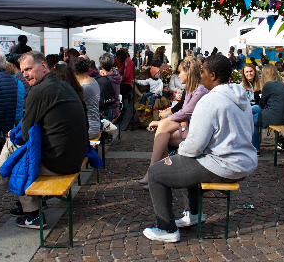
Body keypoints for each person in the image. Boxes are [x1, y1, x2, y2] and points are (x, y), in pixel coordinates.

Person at [0, 52, 88, 229]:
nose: (25, 74)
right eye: (23, 70)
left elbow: (25, 134)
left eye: (29, 69)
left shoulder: (39, 92)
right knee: (16, 148)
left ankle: (30, 213)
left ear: (43, 66)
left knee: (17, 158)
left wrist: (14, 133)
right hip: (75, 156)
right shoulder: (65, 85)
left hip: (61, 162)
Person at [143, 55, 257, 243]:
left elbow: (193, 147)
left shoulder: (210, 101)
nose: (201, 76)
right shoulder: (241, 96)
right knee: (187, 164)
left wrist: (181, 151)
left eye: (203, 72)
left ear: (212, 75)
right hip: (244, 161)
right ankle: (194, 214)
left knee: (155, 172)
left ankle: (167, 229)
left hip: (224, 164)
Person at [139, 58, 208, 187]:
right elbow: (183, 111)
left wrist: (163, 121)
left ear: (188, 73)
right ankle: (158, 175)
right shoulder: (191, 88)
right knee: (163, 135)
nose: (178, 75)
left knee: (162, 129)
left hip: (196, 131)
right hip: (187, 126)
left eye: (180, 72)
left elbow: (186, 112)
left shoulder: (200, 90)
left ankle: (153, 173)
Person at [257, 64, 284, 152]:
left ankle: (256, 148)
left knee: (250, 119)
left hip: (275, 117)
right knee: (253, 109)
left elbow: (262, 104)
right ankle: (281, 143)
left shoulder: (268, 85)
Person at [71, 57, 101, 138]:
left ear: (75, 73)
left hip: (89, 129)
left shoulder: (84, 88)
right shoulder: (93, 81)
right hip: (94, 125)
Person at [241, 63, 262, 153]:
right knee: (253, 121)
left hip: (260, 109)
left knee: (253, 111)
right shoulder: (241, 86)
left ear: (255, 72)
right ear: (244, 73)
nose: (249, 73)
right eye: (247, 72)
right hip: (248, 110)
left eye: (251, 71)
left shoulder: (261, 84)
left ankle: (254, 148)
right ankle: (256, 148)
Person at [99, 53, 122, 119]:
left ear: (101, 65)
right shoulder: (116, 75)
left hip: (106, 111)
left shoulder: (103, 80)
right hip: (116, 109)